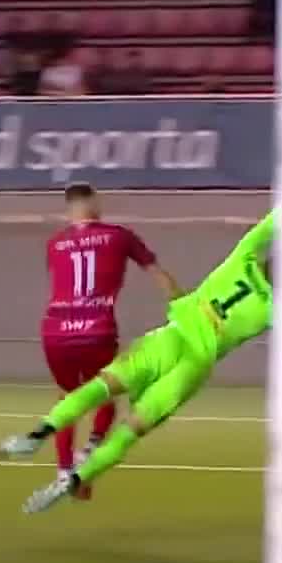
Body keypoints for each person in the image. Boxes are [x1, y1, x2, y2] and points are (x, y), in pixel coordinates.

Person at [0, 212, 282, 512]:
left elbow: (276, 218)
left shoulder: (243, 257)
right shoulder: (276, 309)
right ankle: (73, 481)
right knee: (130, 430)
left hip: (167, 340)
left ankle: (36, 435)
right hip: (191, 367)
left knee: (98, 388)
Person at [41, 183, 182, 483]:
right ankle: (90, 451)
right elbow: (156, 273)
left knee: (67, 399)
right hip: (97, 330)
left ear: (68, 209)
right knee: (107, 391)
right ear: (94, 203)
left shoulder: (55, 244)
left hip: (55, 332)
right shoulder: (120, 236)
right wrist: (183, 305)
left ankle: (63, 470)